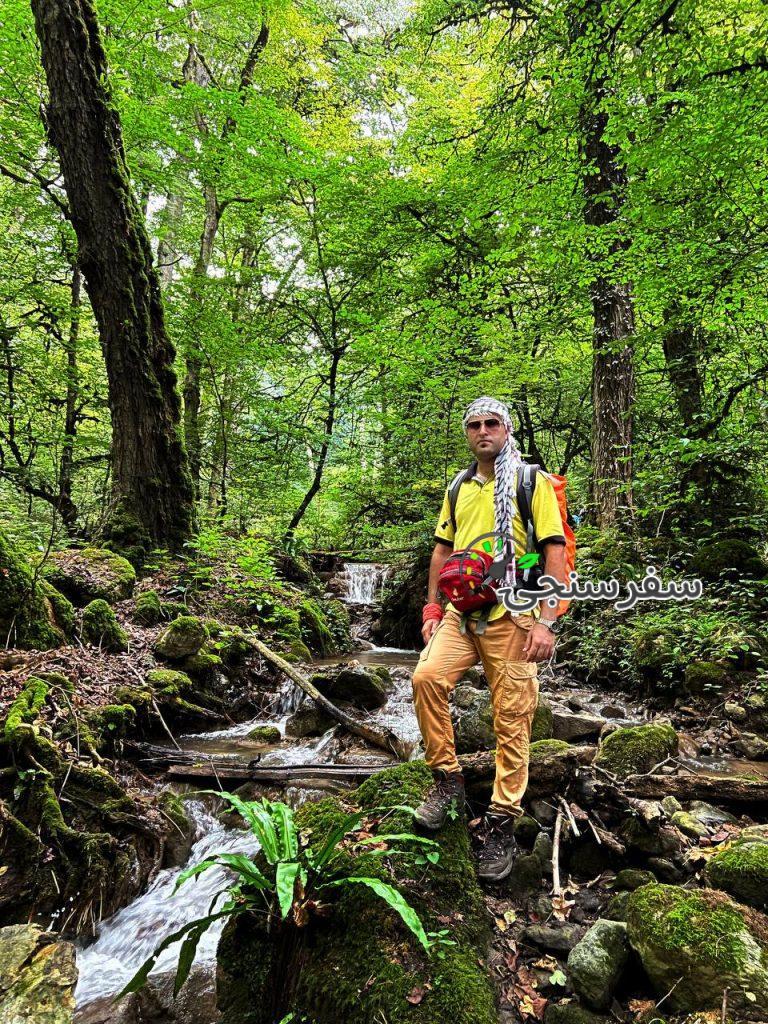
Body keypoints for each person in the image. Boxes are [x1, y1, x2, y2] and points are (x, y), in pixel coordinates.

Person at [412, 397, 568, 882]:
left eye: (492, 423)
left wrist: (547, 621)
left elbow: (554, 551)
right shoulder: (459, 486)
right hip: (462, 611)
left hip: (516, 615)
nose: (483, 431)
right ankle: (448, 781)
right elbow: (443, 550)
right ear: (467, 433)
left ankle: (502, 820)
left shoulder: (529, 482)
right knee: (426, 678)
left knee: (512, 717)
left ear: (506, 429)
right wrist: (433, 606)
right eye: (475, 425)